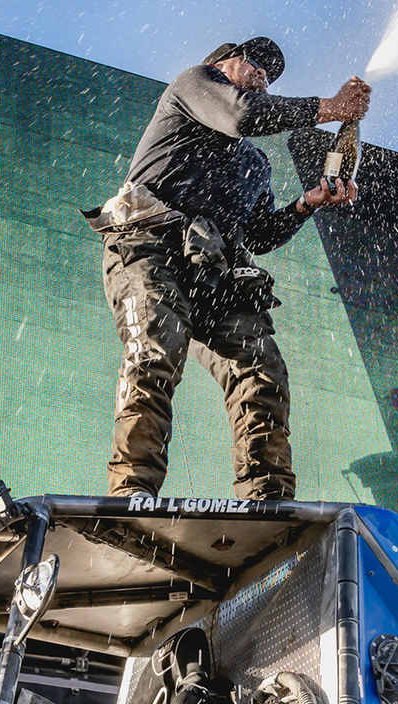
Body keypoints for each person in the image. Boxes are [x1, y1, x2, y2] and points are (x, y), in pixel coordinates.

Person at [84, 36, 369, 500]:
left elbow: (257, 236)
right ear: (219, 62)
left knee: (262, 370)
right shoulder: (193, 84)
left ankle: (267, 497)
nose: (262, 75)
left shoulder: (254, 162)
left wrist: (307, 203)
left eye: (270, 74)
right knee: (157, 343)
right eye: (254, 64)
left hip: (213, 272)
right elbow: (243, 114)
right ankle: (132, 490)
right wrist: (332, 106)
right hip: (148, 244)